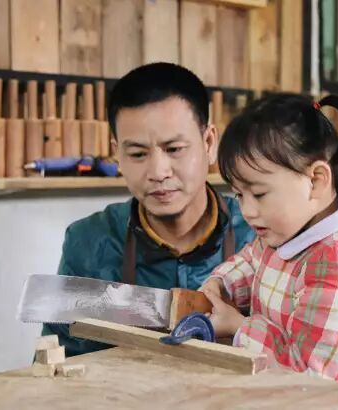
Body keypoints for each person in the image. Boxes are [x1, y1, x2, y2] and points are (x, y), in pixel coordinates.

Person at [43, 63, 254, 356]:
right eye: (138, 154)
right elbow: (60, 364)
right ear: (117, 154)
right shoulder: (88, 242)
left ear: (208, 143)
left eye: (174, 149)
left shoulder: (259, 235)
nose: (158, 172)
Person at [200, 93, 338, 390]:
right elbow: (252, 261)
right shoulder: (286, 228)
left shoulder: (337, 263)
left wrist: (238, 326)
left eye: (259, 194)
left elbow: (309, 374)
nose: (247, 210)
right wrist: (221, 284)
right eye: (239, 195)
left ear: (316, 181)